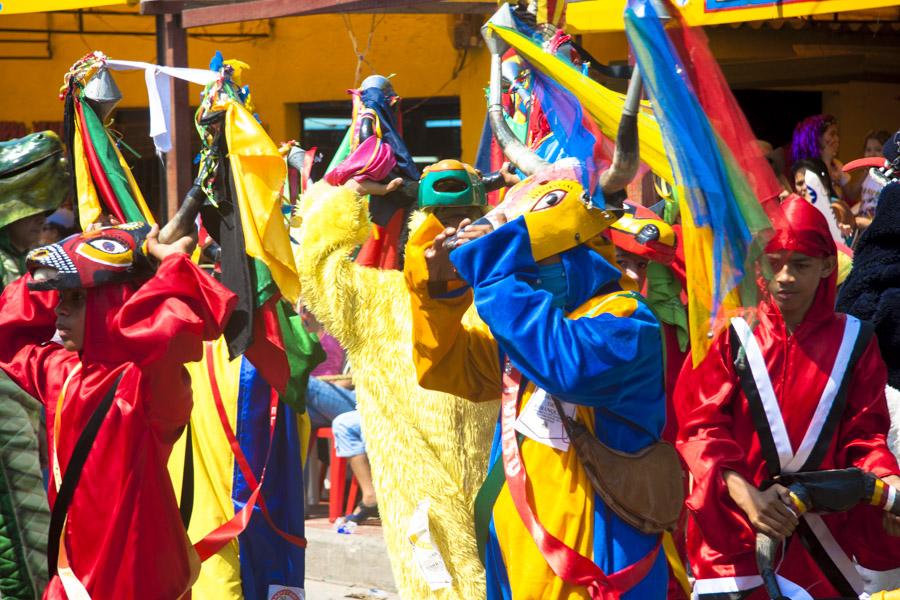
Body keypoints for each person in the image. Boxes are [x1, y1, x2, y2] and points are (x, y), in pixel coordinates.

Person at [405, 159, 669, 599]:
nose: (527, 277)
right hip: (520, 555)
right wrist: (440, 290)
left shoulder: (626, 319)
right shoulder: (531, 325)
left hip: (596, 564)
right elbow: (445, 368)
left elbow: (565, 365)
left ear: (580, 254)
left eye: (534, 262)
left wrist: (494, 266)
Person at [291, 160, 500, 599]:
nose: (453, 231)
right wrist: (350, 190)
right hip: (419, 495)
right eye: (441, 218)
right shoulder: (375, 299)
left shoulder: (503, 291)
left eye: (466, 218)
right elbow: (315, 265)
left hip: (500, 485)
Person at [676, 196, 900, 599]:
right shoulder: (729, 333)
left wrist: (888, 487)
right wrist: (751, 499)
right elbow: (700, 430)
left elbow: (866, 437)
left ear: (828, 265)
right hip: (735, 531)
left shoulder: (855, 341)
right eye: (774, 262)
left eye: (800, 264)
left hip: (821, 539)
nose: (784, 277)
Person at [0, 222, 236, 599]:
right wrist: (76, 253)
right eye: (60, 298)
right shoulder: (62, 372)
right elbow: (9, 332)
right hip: (75, 582)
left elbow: (175, 327)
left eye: (76, 299)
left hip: (139, 584)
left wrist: (170, 261)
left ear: (113, 304)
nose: (59, 310)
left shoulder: (145, 382)